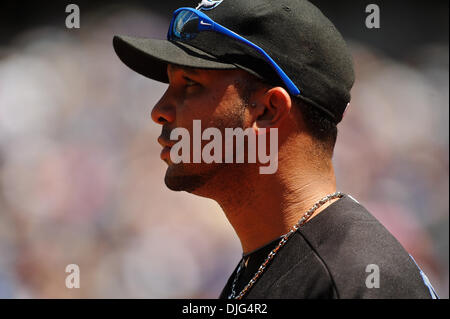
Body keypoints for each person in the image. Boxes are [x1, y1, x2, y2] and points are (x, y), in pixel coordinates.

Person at [113, 0, 438, 299]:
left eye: (191, 84)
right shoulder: (272, 257)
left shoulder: (355, 279)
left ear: (268, 111)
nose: (159, 110)